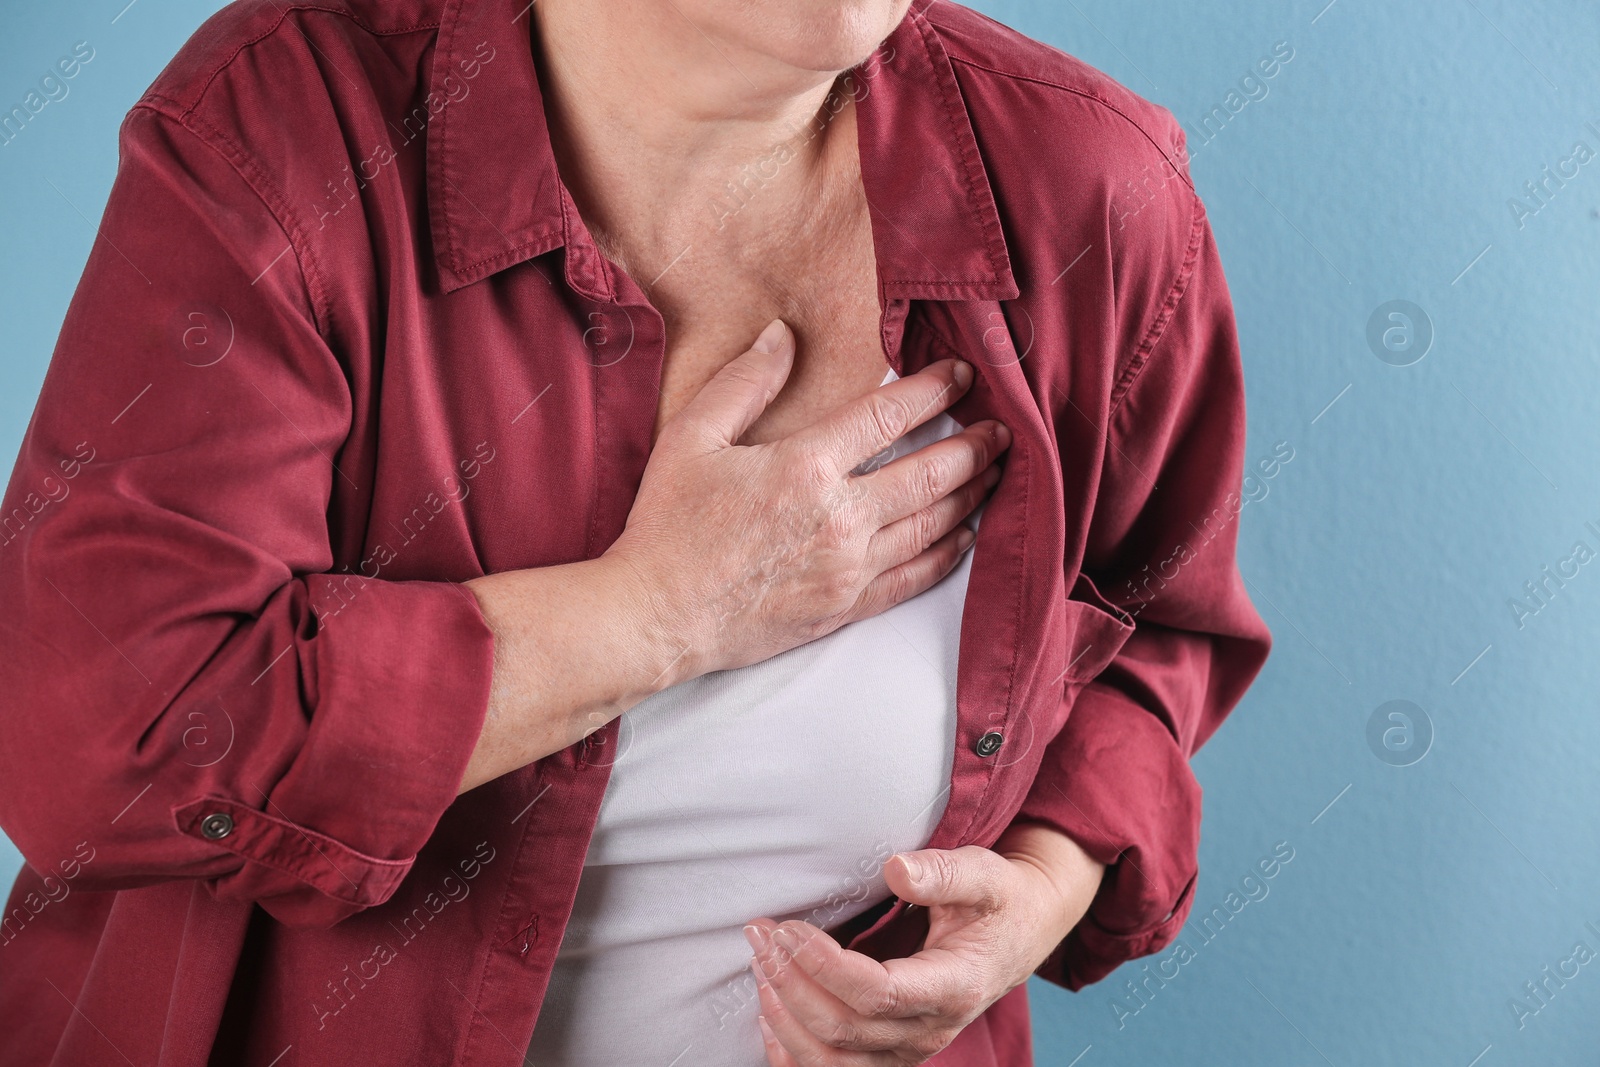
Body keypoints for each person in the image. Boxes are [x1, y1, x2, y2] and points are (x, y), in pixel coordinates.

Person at [0, 0, 1272, 1063]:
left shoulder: (1093, 193)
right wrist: (662, 611)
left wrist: (1043, 889)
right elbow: (101, 743)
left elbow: (1155, 633)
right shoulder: (281, 131)